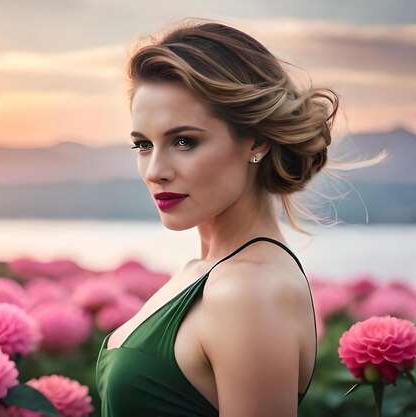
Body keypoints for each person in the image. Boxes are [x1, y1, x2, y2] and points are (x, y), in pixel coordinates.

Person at [96, 17, 382, 417]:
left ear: (258, 140)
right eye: (143, 144)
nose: (154, 170)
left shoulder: (249, 290)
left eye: (184, 141)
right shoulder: (206, 271)